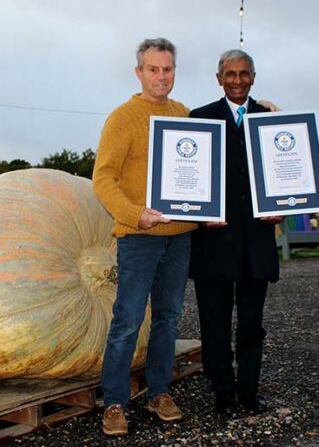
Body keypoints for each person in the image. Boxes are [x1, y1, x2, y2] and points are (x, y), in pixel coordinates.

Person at [92, 38, 197, 436]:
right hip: (139, 235)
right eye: (153, 69)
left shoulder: (184, 115)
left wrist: (264, 114)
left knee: (168, 319)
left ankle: (159, 392)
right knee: (128, 320)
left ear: (174, 71)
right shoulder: (122, 118)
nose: (161, 76)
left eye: (167, 69)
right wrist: (135, 214)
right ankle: (115, 402)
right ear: (139, 72)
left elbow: (203, 166)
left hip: (180, 235)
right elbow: (103, 178)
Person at [189, 49, 281, 417]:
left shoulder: (272, 121)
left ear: (253, 77)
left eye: (244, 73)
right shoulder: (199, 119)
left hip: (255, 245)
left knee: (251, 325)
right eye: (230, 74)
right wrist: (199, 216)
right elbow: (188, 184)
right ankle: (223, 394)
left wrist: (281, 209)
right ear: (219, 78)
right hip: (212, 244)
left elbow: (282, 177)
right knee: (214, 324)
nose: (238, 80)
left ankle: (249, 393)